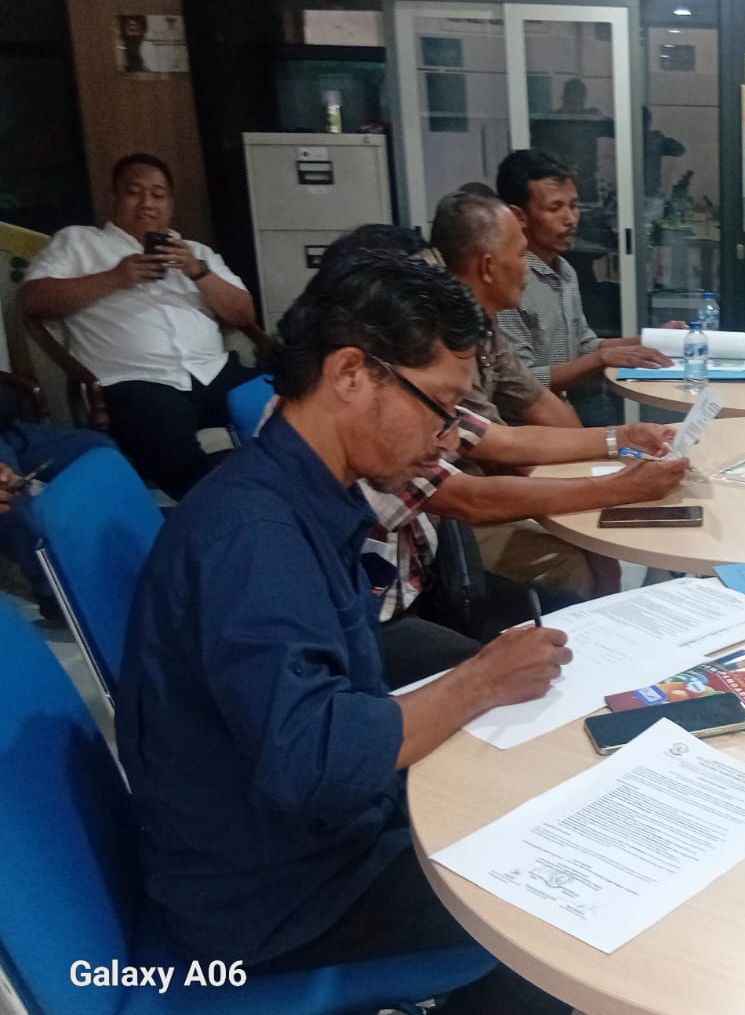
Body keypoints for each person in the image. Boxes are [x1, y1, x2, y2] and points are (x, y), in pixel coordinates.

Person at [116, 250, 575, 1015]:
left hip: (292, 839)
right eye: (440, 407)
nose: (448, 437)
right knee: (552, 919)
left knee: (521, 806)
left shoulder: (294, 495)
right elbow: (315, 762)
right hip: (270, 897)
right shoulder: (256, 540)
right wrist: (477, 682)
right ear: (353, 374)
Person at [292, 221, 685, 684]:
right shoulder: (360, 432)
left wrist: (622, 437)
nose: (444, 435)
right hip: (384, 622)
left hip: (412, 587)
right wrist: (619, 487)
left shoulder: (405, 395)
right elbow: (472, 497)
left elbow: (503, 438)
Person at [432, 190, 686, 600]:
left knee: (603, 545)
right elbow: (495, 455)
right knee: (575, 561)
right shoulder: (439, 344)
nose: (527, 270)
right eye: (521, 255)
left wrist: (615, 443)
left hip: (489, 485)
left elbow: (536, 403)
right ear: (488, 266)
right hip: (450, 518)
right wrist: (611, 482)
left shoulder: (483, 324)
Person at [22, 153, 259, 498]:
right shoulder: (79, 242)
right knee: (178, 457)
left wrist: (198, 272)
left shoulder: (196, 252)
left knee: (290, 399)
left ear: (171, 204)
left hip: (213, 371)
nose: (148, 203)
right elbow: (32, 299)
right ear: (114, 198)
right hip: (137, 381)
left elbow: (244, 315)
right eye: (134, 192)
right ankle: (224, 517)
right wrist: (116, 278)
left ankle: (296, 498)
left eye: (158, 195)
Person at [495, 148, 680, 427]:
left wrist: (651, 340)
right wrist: (601, 359)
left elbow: (584, 344)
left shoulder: (565, 271)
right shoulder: (509, 283)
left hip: (565, 408)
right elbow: (523, 382)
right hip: (525, 427)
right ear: (519, 216)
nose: (571, 219)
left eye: (574, 205)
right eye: (555, 208)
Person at [0, 380, 116, 622]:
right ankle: (53, 593)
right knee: (11, 497)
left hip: (8, 431)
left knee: (97, 450)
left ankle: (112, 556)